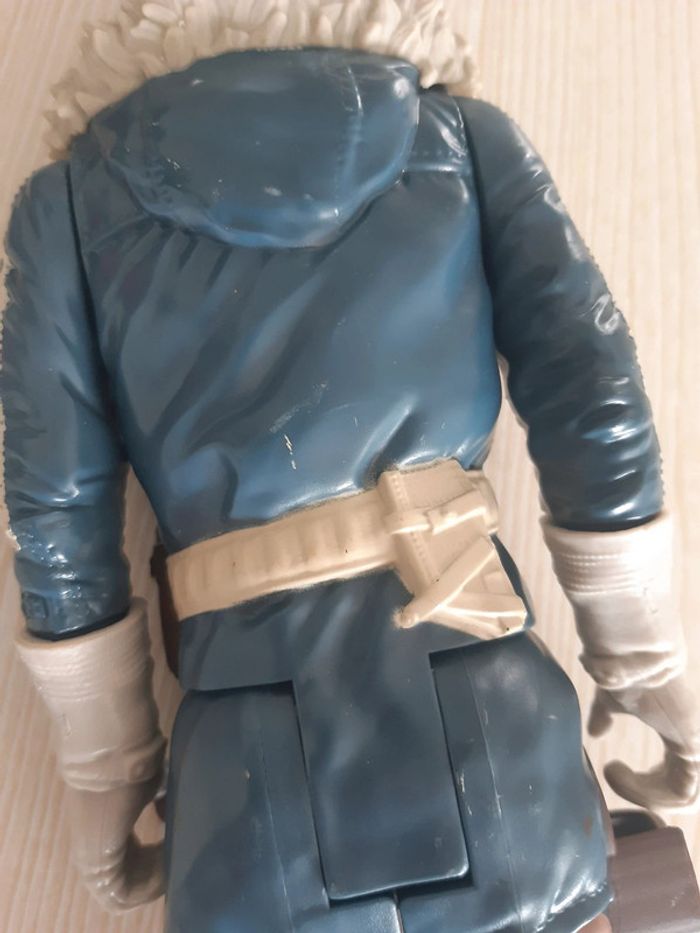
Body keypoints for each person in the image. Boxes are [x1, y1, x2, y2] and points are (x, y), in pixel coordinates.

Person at [3, 2, 698, 931]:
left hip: (245, 746)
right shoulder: (461, 139)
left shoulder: (66, 207)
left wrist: (107, 760)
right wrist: (639, 646)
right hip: (475, 671)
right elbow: (591, 387)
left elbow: (57, 510)